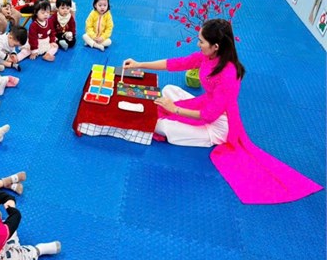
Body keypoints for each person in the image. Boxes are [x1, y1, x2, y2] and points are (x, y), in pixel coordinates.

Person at [123, 18, 323, 204]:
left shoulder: (229, 75)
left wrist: (174, 109)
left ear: (216, 46)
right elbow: (177, 63)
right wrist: (140, 64)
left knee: (161, 126)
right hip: (206, 104)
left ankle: (195, 131)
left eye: (201, 41)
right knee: (168, 89)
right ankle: (173, 113)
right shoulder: (207, 56)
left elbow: (209, 115)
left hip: (219, 125)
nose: (198, 44)